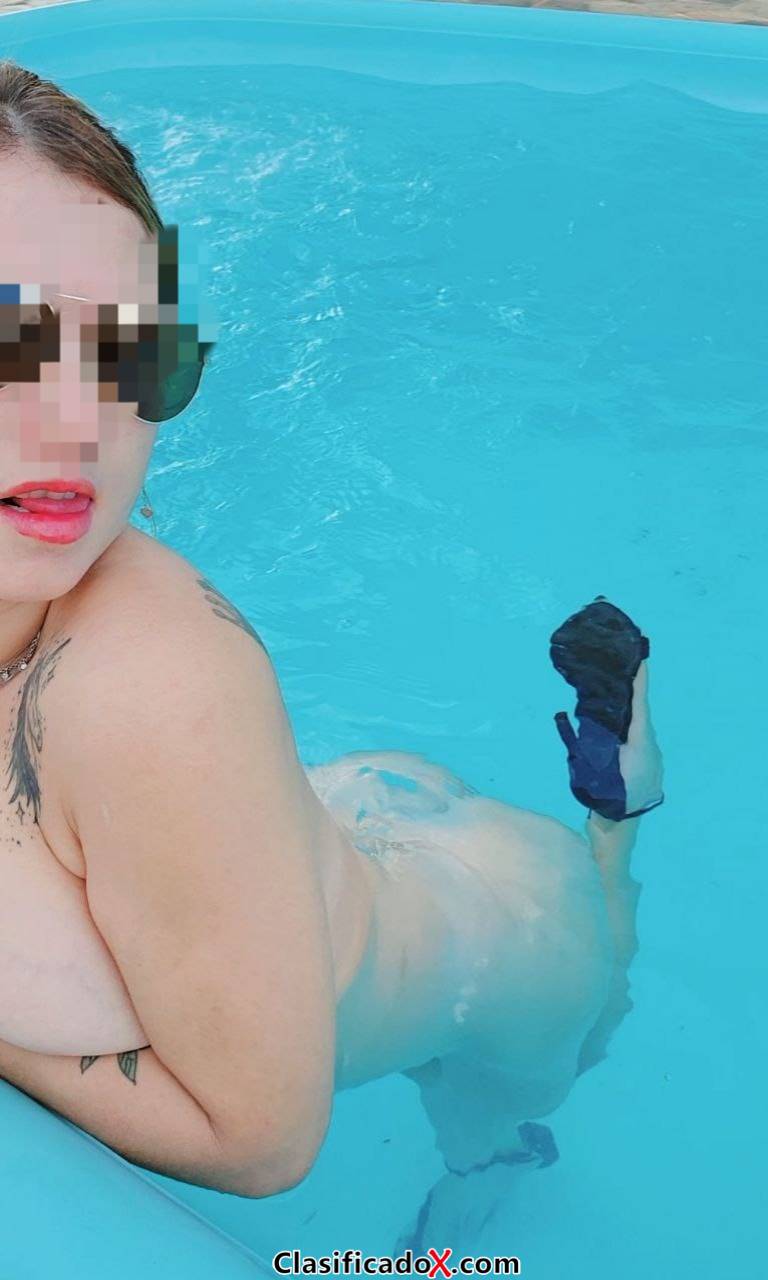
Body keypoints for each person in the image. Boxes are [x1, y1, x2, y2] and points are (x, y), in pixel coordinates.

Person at [0, 59, 665, 1214]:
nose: (78, 422)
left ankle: (618, 819)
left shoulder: (153, 682)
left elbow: (259, 1141)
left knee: (488, 1130)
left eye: (131, 354)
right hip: (336, 829)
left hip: (503, 956)